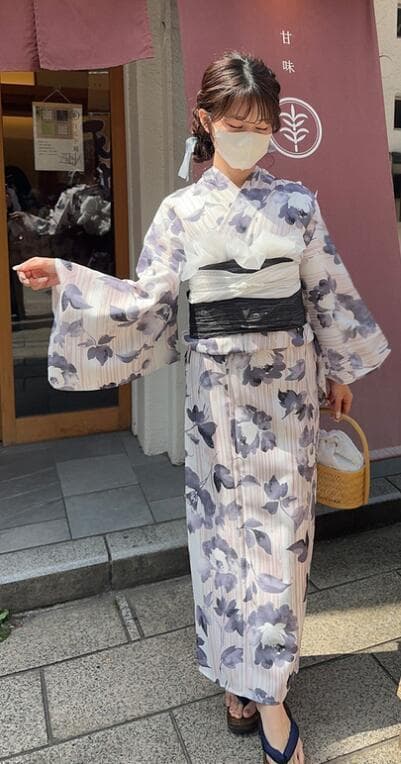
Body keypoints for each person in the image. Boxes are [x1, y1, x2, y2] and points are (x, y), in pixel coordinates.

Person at [14, 51, 391, 764]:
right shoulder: (180, 211)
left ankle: (269, 691)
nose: (249, 136)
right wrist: (65, 275)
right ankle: (234, 675)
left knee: (281, 543)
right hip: (216, 399)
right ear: (205, 122)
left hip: (286, 394)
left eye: (261, 125)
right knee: (222, 543)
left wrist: (340, 371)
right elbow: (145, 298)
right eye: (234, 124)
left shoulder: (296, 203)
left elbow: (324, 291)